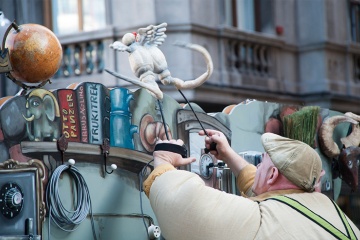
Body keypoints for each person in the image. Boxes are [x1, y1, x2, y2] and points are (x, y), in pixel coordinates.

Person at [143, 129, 360, 239]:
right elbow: (271, 194)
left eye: (262, 161)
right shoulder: (329, 209)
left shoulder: (258, 222)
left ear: (273, 174)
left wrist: (163, 162)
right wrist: (228, 155)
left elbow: (182, 205)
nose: (257, 166)